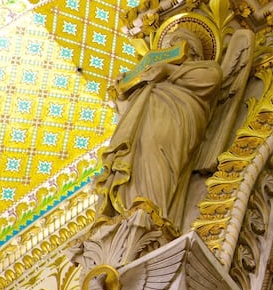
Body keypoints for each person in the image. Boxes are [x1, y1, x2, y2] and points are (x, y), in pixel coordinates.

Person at [95, 27, 223, 232]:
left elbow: (212, 79)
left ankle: (152, 214)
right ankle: (129, 211)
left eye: (177, 45)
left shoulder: (205, 69)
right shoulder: (150, 81)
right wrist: (121, 96)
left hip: (174, 123)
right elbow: (129, 118)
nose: (169, 52)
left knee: (156, 156)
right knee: (135, 157)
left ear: (193, 52)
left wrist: (170, 71)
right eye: (166, 48)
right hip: (142, 129)